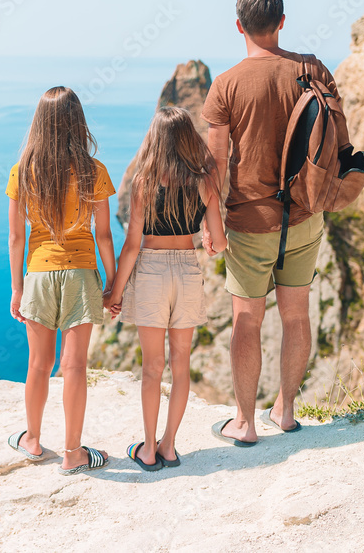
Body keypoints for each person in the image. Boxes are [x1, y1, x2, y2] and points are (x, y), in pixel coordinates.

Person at [201, 0, 341, 446]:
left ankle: (243, 424)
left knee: (248, 320)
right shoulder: (311, 68)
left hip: (250, 223)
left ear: (239, 25)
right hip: (305, 215)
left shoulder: (226, 84)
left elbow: (215, 165)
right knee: (297, 317)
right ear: (282, 21)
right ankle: (285, 410)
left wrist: (212, 225)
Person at [105, 106, 225, 471]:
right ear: (189, 138)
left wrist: (116, 292)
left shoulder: (143, 181)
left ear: (155, 139)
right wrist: (206, 238)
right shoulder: (205, 181)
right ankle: (169, 446)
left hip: (152, 273)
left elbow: (131, 246)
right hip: (187, 271)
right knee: (181, 363)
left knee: (153, 368)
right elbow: (219, 242)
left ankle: (147, 450)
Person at [5, 86, 116, 475]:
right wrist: (113, 283)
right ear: (77, 122)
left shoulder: (23, 171)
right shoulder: (94, 171)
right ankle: (73, 454)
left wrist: (17, 289)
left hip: (38, 273)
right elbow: (103, 235)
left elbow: (17, 236)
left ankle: (32, 441)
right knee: (74, 366)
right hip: (82, 273)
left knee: (39, 363)